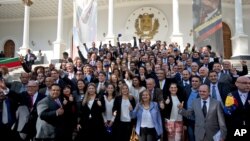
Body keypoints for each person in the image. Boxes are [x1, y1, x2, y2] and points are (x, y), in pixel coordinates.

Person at [225, 76, 250, 141]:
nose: (248, 85)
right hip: (236, 128)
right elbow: (228, 113)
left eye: (249, 83)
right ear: (237, 84)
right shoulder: (231, 95)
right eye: (245, 83)